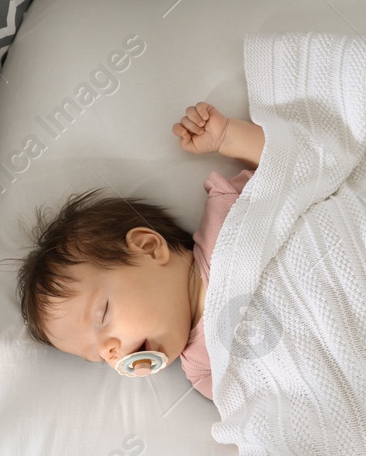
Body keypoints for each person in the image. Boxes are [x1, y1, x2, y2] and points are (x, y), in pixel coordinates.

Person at [15, 101, 264, 399]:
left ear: (148, 247)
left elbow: (294, 163)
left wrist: (227, 136)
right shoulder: (203, 369)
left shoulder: (227, 215)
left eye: (103, 314)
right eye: (97, 356)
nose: (109, 352)